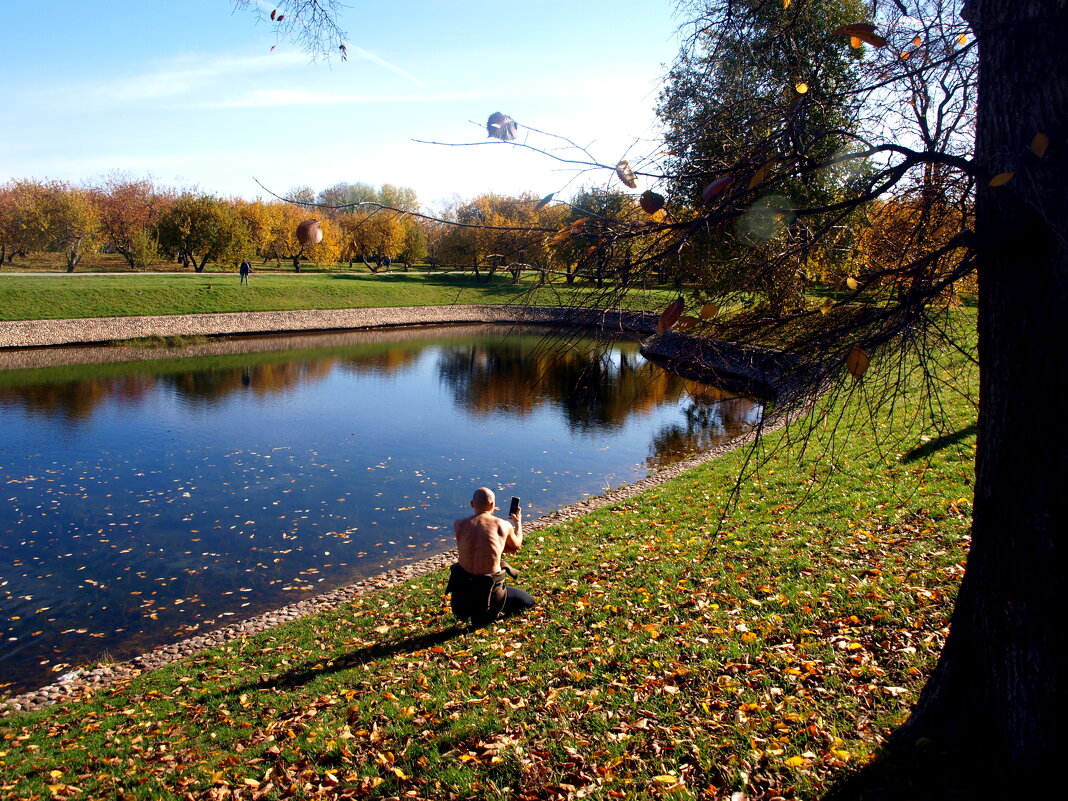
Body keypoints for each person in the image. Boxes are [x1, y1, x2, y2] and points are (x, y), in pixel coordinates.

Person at [448, 487, 535, 626]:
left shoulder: (459, 524)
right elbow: (517, 545)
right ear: (492, 505)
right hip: (489, 598)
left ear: (472, 504)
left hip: (461, 600)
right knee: (528, 601)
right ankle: (486, 615)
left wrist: (498, 549)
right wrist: (517, 523)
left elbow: (477, 545)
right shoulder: (503, 525)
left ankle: (472, 613)